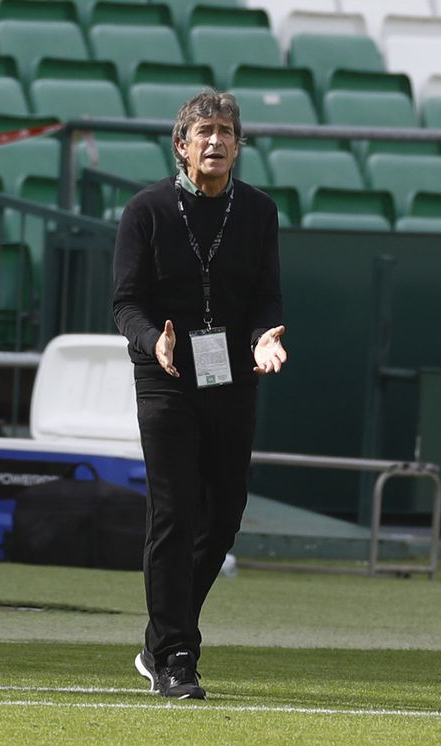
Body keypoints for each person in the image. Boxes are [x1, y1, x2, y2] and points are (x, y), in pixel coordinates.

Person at [113, 89, 287, 700]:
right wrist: (149, 343)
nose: (216, 141)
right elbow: (126, 302)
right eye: (204, 131)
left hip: (232, 374)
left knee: (224, 513)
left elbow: (266, 294)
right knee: (174, 511)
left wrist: (266, 334)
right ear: (181, 144)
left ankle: (163, 634)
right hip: (165, 373)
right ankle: (176, 655)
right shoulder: (146, 209)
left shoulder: (259, 211)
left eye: (227, 132)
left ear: (239, 146)